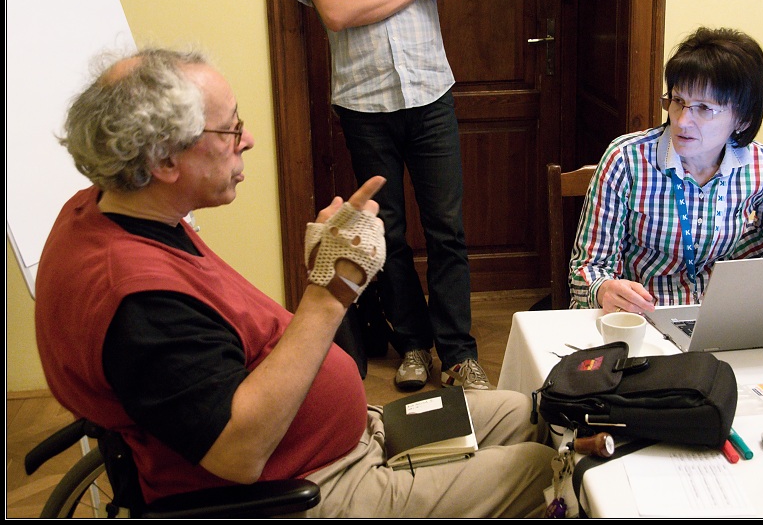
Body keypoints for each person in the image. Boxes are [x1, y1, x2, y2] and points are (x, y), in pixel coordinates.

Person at [34, 48, 557, 518]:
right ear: (165, 160)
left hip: (341, 437)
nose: (248, 139)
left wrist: (329, 265)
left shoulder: (107, 209)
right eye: (230, 131)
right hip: (310, 485)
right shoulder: (139, 301)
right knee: (542, 470)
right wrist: (335, 287)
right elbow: (240, 452)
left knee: (533, 412)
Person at [294, 0, 492, 391]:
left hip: (429, 93)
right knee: (388, 232)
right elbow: (336, 14)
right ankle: (413, 346)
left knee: (447, 229)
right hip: (363, 102)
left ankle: (458, 355)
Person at [570, 26, 763, 313]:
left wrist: (728, 267)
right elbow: (587, 269)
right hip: (638, 315)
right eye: (678, 101)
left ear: (742, 119)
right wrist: (604, 289)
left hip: (714, 314)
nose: (681, 121)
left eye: (704, 108)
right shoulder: (627, 159)